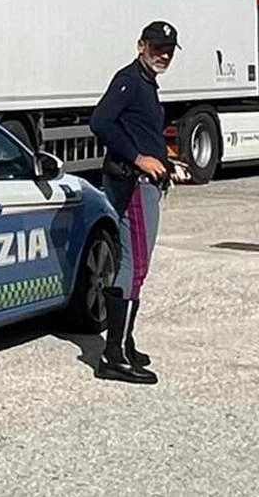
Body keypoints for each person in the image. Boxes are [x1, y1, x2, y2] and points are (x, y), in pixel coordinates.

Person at [89, 20, 190, 385]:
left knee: (137, 266)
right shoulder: (130, 80)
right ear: (140, 45)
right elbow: (100, 122)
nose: (163, 54)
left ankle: (124, 344)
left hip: (145, 179)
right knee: (134, 266)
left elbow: (139, 129)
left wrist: (163, 160)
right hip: (132, 183)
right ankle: (113, 356)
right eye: (157, 47)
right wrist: (139, 159)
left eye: (169, 49)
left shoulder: (146, 83)